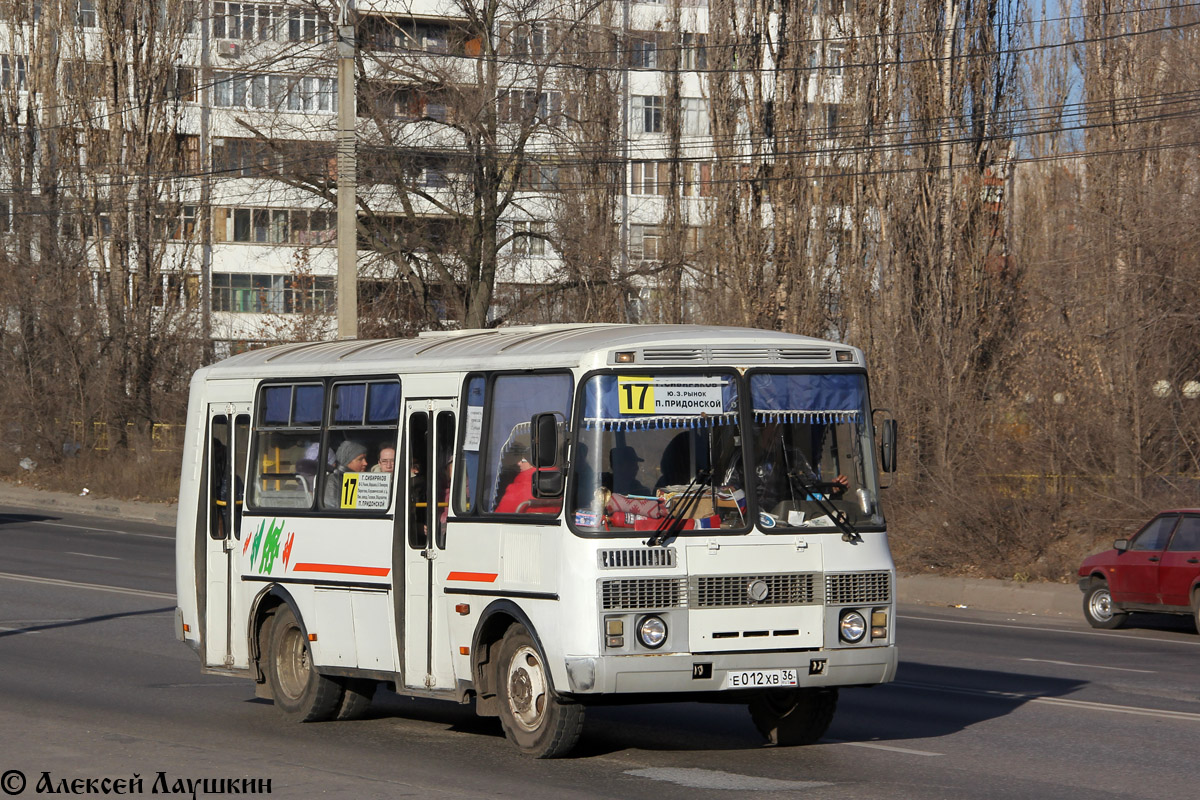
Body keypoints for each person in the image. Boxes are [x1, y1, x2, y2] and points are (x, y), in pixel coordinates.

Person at [324, 440, 368, 509]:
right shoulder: (335, 480)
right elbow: (335, 510)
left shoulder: (362, 479)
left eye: (365, 459)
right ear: (347, 462)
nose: (365, 463)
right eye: (360, 459)